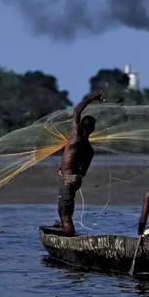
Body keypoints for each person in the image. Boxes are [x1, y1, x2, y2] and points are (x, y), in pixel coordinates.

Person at [54, 89, 104, 236]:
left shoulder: (75, 137)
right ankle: (64, 228)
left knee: (66, 214)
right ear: (92, 129)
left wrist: (91, 98)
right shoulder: (89, 148)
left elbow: (76, 111)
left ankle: (69, 239)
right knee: (64, 210)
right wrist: (64, 168)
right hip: (75, 180)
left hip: (68, 179)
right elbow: (83, 170)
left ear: (81, 125)